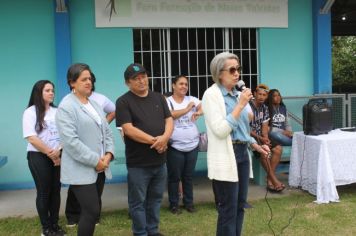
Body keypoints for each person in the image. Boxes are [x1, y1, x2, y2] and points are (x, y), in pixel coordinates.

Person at [202, 52, 270, 236]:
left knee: (240, 206)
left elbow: (243, 129)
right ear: (219, 73)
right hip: (226, 155)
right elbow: (220, 130)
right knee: (228, 209)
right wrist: (240, 105)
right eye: (232, 70)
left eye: (238, 69)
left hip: (242, 152)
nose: (237, 73)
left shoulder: (238, 94)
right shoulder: (211, 95)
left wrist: (255, 145)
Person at [56, 63, 115, 236]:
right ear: (72, 82)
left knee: (92, 211)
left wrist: (108, 155)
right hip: (81, 168)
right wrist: (96, 160)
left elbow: (107, 133)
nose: (88, 82)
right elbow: (71, 142)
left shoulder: (94, 105)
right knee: (91, 210)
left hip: (101, 166)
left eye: (89, 78)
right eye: (83, 79)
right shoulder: (66, 106)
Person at [115, 63, 173, 236]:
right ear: (128, 83)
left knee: (155, 199)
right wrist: (156, 141)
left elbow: (169, 120)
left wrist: (165, 138)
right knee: (138, 202)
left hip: (160, 161)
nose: (141, 81)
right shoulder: (123, 101)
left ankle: (153, 231)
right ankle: (140, 232)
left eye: (143, 76)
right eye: (136, 79)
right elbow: (128, 129)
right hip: (138, 164)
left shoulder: (159, 98)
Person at [22, 80, 66, 236]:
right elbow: (31, 137)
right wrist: (50, 153)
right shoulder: (30, 112)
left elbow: (65, 134)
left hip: (57, 155)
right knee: (44, 192)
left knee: (56, 191)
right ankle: (46, 228)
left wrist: (58, 151)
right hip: (38, 156)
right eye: (47, 90)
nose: (51, 93)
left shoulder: (58, 111)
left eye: (52, 90)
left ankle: (54, 225)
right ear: (38, 93)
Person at [166, 75, 203, 214]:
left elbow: (202, 107)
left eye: (186, 84)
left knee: (188, 176)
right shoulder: (167, 101)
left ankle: (189, 203)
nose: (184, 87)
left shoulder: (192, 99)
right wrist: (188, 109)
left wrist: (198, 111)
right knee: (174, 177)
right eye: (181, 84)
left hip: (193, 145)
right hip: (175, 146)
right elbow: (170, 115)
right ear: (173, 86)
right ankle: (174, 204)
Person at [250, 84, 285, 192]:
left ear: (266, 97)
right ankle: (274, 180)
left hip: (261, 136)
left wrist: (265, 138)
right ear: (255, 94)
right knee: (264, 152)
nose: (261, 97)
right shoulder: (247, 106)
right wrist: (260, 138)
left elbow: (265, 126)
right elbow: (245, 129)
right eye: (259, 94)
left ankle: (269, 178)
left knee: (278, 149)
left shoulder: (265, 108)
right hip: (249, 137)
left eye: (264, 95)